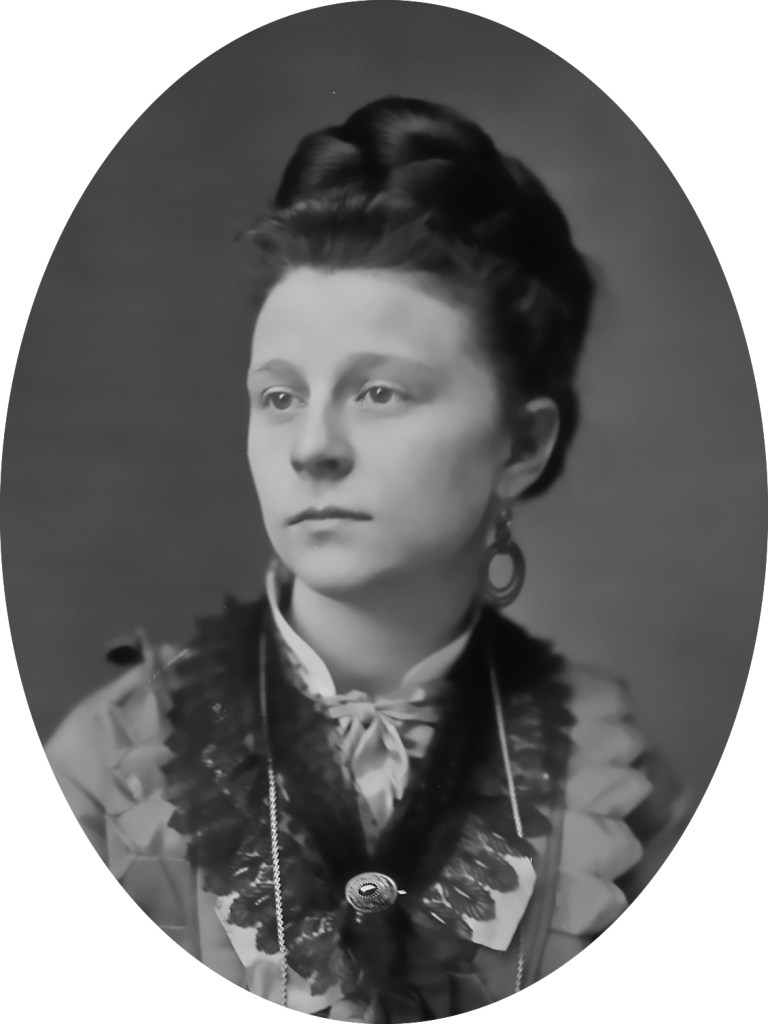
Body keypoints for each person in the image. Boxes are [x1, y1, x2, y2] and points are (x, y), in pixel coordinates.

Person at [45, 96, 687, 1021]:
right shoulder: (105, 769)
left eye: (379, 392)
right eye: (279, 398)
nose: (313, 447)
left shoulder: (617, 786)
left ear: (520, 446)